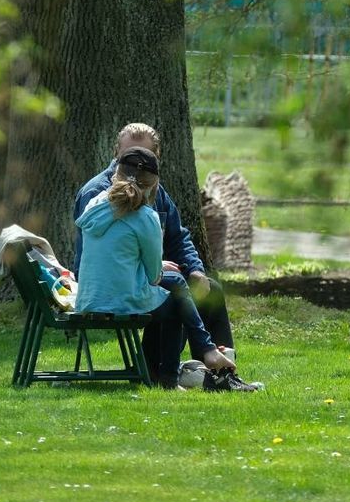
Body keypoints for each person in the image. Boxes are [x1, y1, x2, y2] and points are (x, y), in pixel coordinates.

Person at [73, 122, 262, 392]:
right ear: (117, 156)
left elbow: (178, 236)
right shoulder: (96, 192)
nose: (137, 166)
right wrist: (156, 269)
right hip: (116, 284)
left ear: (155, 160)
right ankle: (191, 368)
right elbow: (96, 257)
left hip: (127, 283)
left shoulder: (127, 199)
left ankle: (213, 371)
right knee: (175, 291)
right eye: (131, 157)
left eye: (144, 157)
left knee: (206, 288)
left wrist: (195, 269)